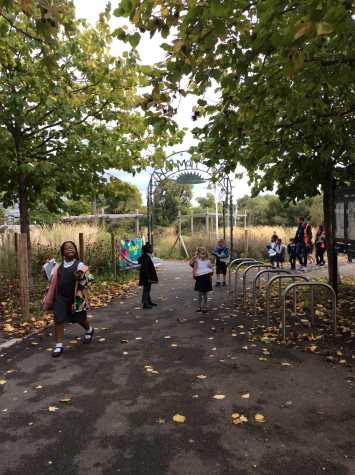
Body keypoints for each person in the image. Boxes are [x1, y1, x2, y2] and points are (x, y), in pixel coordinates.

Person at [42, 241, 94, 358]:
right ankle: (59, 345)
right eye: (66, 248)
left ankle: (89, 329)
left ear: (75, 251)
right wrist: (46, 269)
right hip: (60, 297)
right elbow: (51, 278)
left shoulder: (80, 265)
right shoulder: (58, 267)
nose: (69, 249)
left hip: (76, 298)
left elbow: (89, 278)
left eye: (72, 248)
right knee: (58, 319)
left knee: (80, 318)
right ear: (63, 252)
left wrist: (81, 276)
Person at [189, 247, 213, 314]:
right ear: (198, 254)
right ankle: (199, 307)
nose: (203, 255)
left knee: (205, 294)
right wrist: (194, 258)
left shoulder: (208, 261)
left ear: (206, 254)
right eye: (201, 254)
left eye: (204, 254)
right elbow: (190, 264)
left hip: (206, 278)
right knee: (199, 294)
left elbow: (211, 269)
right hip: (199, 278)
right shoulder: (196, 260)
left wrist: (211, 267)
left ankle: (205, 306)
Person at [137, 242, 158, 309]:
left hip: (147, 277)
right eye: (151, 248)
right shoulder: (145, 258)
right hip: (146, 277)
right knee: (146, 290)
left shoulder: (146, 257)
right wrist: (148, 277)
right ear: (148, 250)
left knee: (148, 289)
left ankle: (148, 301)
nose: (152, 250)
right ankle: (145, 303)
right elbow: (145, 269)